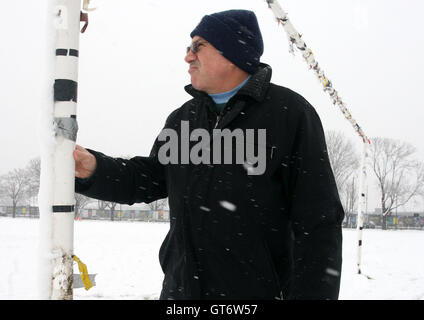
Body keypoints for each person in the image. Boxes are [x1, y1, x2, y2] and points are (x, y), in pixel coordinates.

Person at [74, 9, 344, 300]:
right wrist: (94, 168)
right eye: (188, 48)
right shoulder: (183, 119)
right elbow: (149, 178)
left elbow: (319, 223)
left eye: (197, 46)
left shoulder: (290, 114)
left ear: (233, 53)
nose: (188, 56)